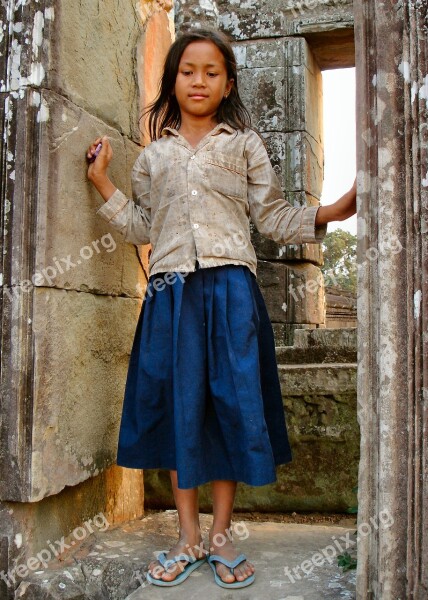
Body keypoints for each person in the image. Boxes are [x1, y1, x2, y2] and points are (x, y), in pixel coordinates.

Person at [86, 27, 357, 590]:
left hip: (232, 292)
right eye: (188, 71)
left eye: (212, 72)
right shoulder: (154, 157)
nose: (199, 80)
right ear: (172, 80)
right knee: (183, 412)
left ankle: (220, 535)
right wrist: (101, 182)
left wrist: (336, 207)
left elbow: (275, 217)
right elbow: (142, 226)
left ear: (228, 82)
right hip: (170, 297)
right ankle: (186, 537)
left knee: (229, 409)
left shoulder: (244, 146)